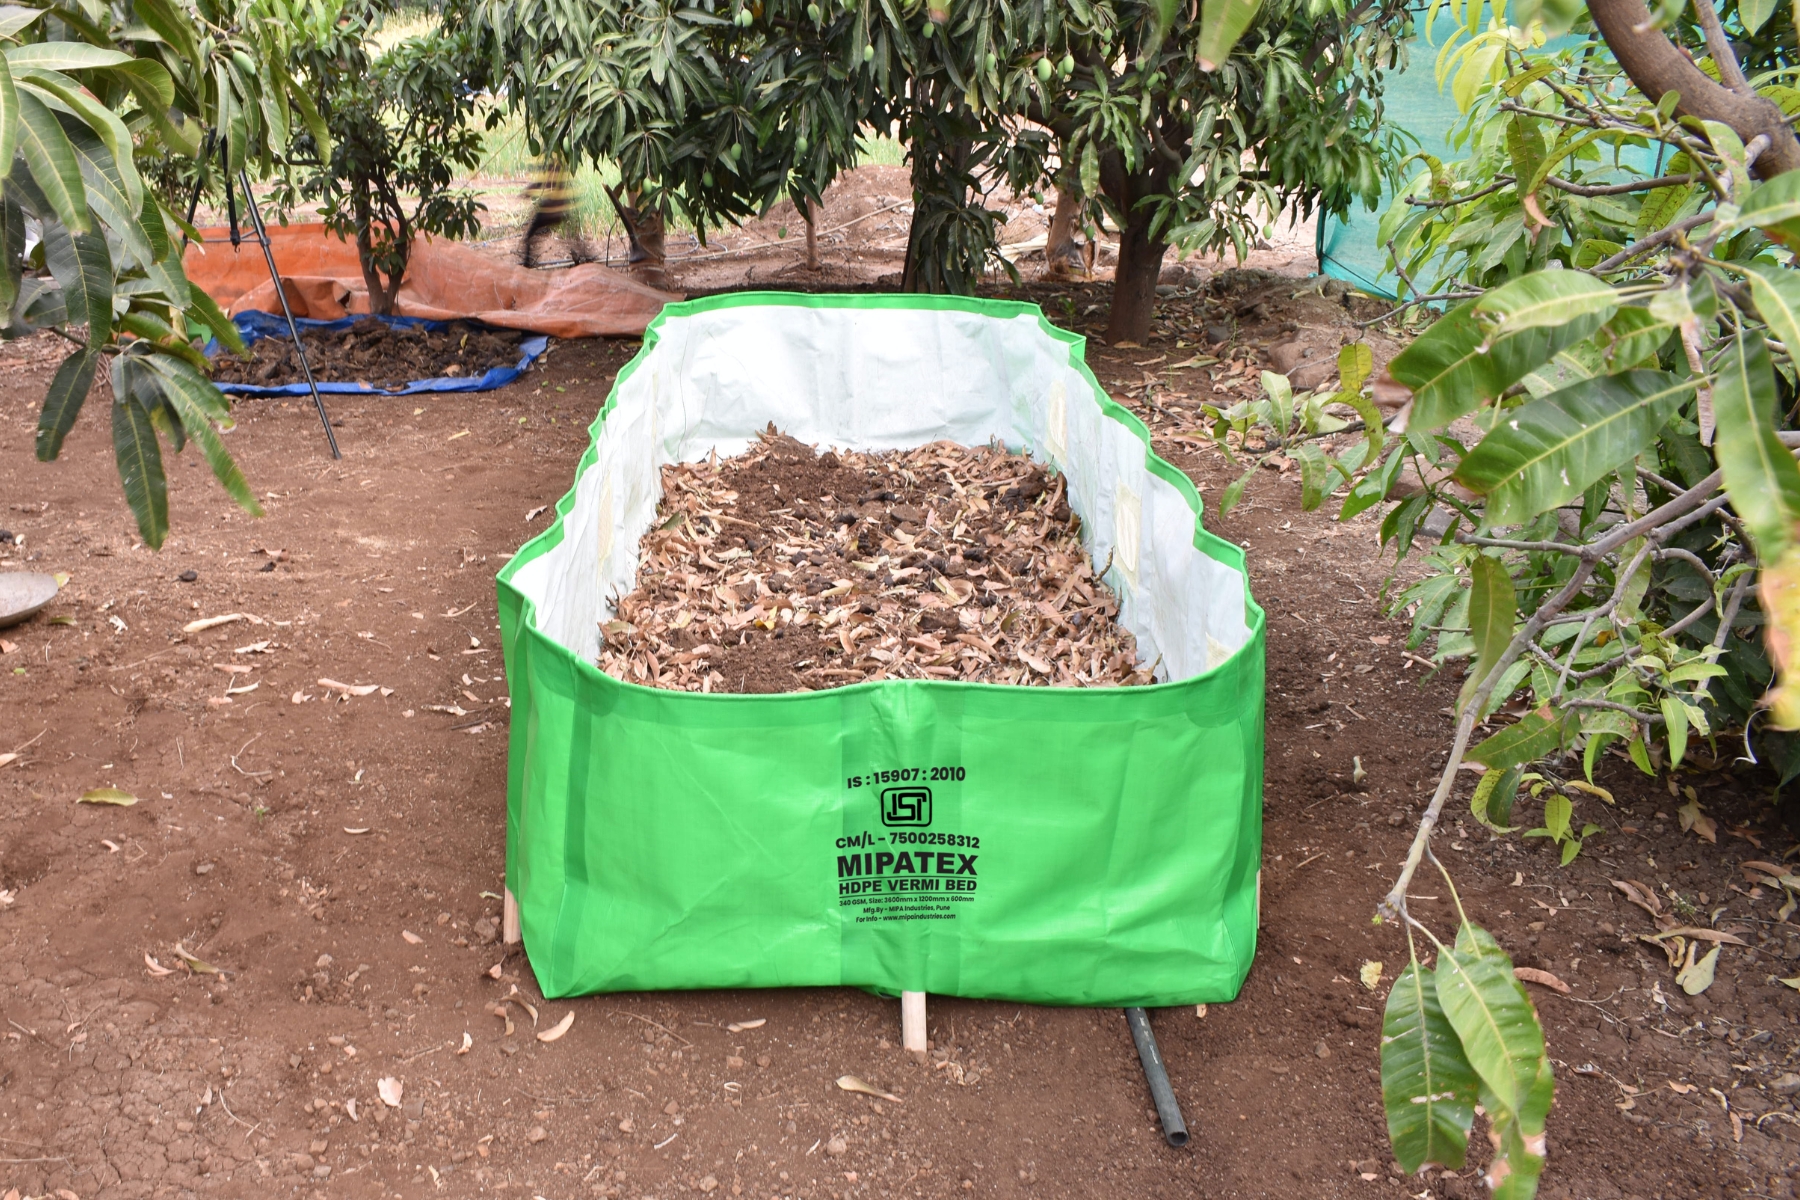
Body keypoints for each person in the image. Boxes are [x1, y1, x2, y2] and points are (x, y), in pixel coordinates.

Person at [520, 160, 593, 268]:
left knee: (530, 237)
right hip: (561, 209)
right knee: (572, 237)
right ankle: (586, 257)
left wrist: (527, 191)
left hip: (549, 210)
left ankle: (527, 263)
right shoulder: (561, 168)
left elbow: (539, 184)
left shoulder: (551, 167)